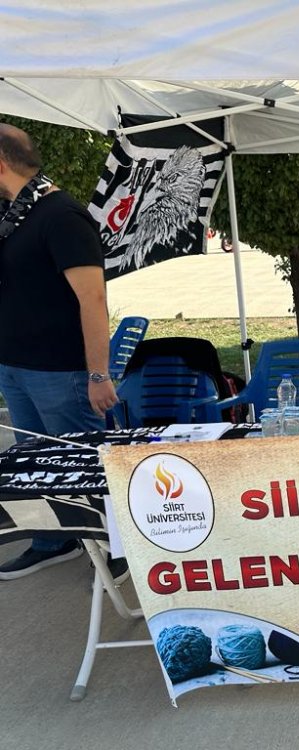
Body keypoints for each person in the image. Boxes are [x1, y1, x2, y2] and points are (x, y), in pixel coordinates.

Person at [0, 123, 118, 580]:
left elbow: (93, 298)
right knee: (36, 464)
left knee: (83, 464)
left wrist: (98, 374)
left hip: (61, 371)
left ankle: (119, 551)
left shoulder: (60, 215)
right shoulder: (12, 215)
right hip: (16, 366)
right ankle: (55, 539)